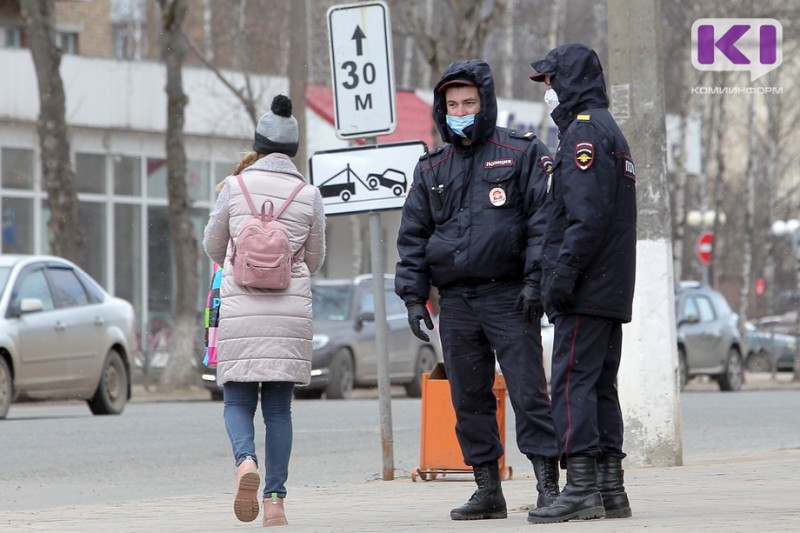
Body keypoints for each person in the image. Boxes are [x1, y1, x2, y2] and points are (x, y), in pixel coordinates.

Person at [395, 59, 560, 521]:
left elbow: (542, 223)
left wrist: (535, 282)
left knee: (529, 393)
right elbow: (413, 235)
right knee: (468, 397)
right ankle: (487, 489)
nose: (461, 112)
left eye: (469, 103)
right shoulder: (432, 166)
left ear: (485, 103)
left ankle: (548, 486)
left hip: (509, 296)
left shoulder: (520, 152)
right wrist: (413, 296)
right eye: (452, 105)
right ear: (441, 110)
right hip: (457, 302)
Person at [525, 43, 637, 524]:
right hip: (610, 286)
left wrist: (562, 276)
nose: (548, 90)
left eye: (551, 81)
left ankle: (582, 489)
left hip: (587, 286)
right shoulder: (608, 130)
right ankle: (611, 488)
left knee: (572, 384)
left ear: (570, 80)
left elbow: (585, 219)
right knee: (599, 386)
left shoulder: (584, 134)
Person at [203, 94, 326, 527]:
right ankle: (275, 502)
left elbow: (212, 245)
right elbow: (315, 259)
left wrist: (242, 259)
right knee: (278, 411)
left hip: (241, 311)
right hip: (287, 316)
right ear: (293, 149)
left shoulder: (235, 187)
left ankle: (245, 464)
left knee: (236, 400)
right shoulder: (309, 195)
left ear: (258, 143)